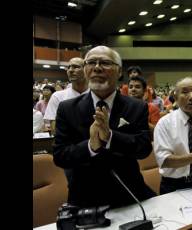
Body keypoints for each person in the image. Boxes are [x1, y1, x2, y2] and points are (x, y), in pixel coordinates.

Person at [53, 46, 155, 208]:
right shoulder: (67, 108)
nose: (97, 68)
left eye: (105, 63)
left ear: (119, 71)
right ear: (86, 69)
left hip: (130, 195)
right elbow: (60, 156)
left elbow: (143, 149)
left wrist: (110, 137)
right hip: (85, 199)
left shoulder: (136, 107)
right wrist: (90, 145)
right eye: (91, 62)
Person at [44, 57, 89, 134]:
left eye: (76, 67)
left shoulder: (96, 94)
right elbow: (54, 128)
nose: (70, 70)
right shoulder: (57, 96)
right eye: (68, 67)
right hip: (67, 143)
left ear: (87, 70)